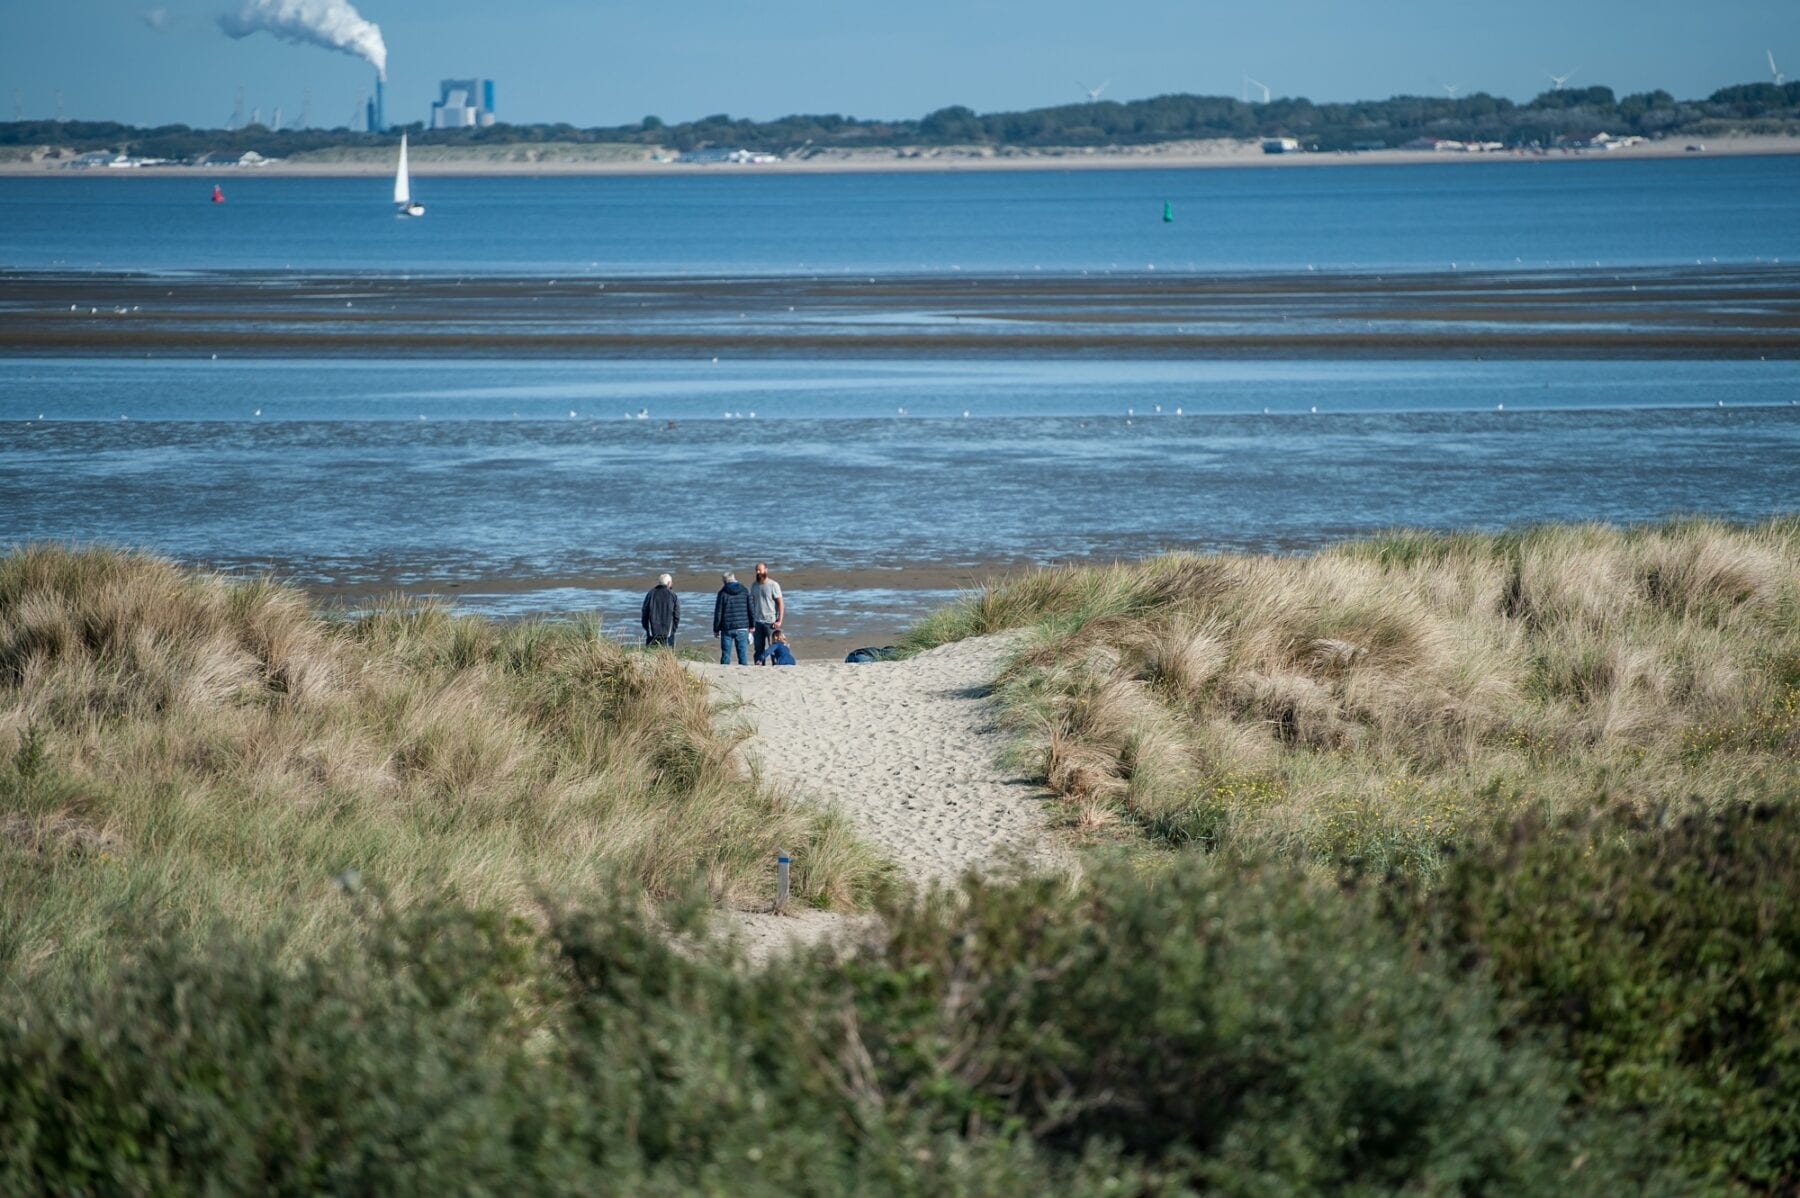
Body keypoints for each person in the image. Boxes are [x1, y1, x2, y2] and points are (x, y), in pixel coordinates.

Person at [712, 571, 755, 664]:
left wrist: (716, 629)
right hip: (742, 626)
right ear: (734, 578)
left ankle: (724, 672)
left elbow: (718, 612)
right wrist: (752, 625)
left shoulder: (722, 593)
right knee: (742, 654)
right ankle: (744, 672)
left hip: (727, 627)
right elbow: (751, 609)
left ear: (724, 581)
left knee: (726, 654)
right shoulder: (745, 590)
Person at [749, 561, 785, 664]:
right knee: (758, 649)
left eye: (760, 570)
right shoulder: (754, 586)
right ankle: (759, 666)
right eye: (757, 570)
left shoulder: (773, 585)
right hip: (757, 621)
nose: (758, 572)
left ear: (766, 570)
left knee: (773, 648)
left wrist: (779, 620)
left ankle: (776, 666)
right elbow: (751, 603)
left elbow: (780, 603)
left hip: (770, 622)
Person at [641, 573, 679, 647]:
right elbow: (677, 615)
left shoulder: (650, 594)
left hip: (652, 631)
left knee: (650, 654)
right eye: (671, 582)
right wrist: (673, 630)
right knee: (668, 654)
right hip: (668, 632)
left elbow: (644, 612)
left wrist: (647, 628)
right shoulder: (673, 595)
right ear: (669, 583)